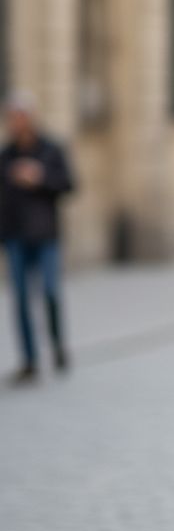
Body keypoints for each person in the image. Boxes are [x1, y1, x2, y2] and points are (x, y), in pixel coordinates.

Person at [0, 92, 75, 383]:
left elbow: (68, 184)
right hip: (16, 236)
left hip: (45, 236)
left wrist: (39, 177)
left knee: (49, 292)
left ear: (30, 119)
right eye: (11, 118)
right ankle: (29, 360)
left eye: (20, 117)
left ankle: (57, 346)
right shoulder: (6, 156)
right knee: (20, 300)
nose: (16, 123)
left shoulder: (50, 150)